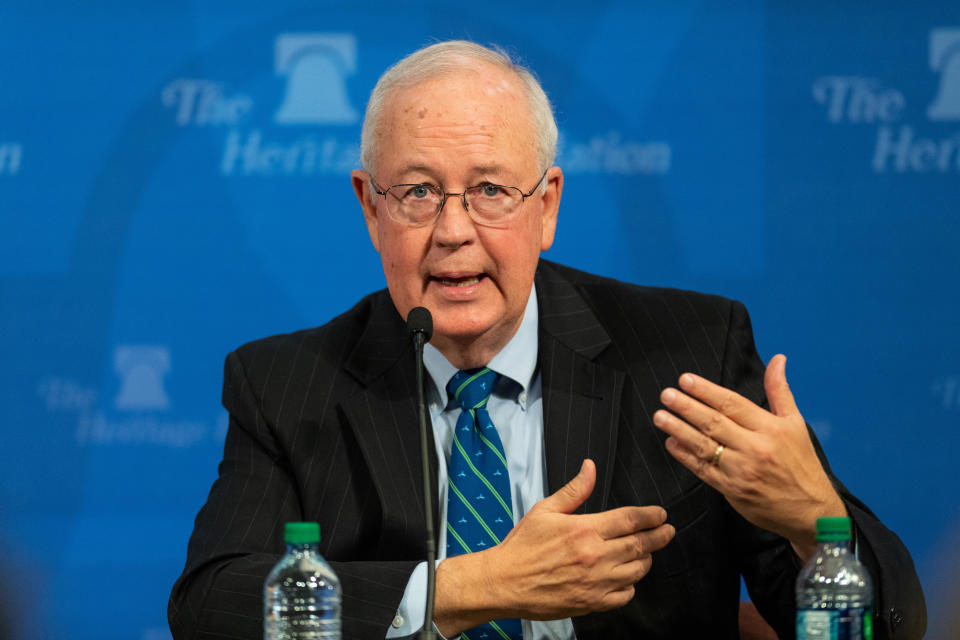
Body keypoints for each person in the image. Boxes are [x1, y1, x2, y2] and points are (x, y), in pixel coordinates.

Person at [169, 41, 925, 640]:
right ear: (371, 209)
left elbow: (887, 625)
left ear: (548, 205)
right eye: (418, 193)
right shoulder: (288, 385)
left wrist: (811, 517)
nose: (454, 231)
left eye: (492, 191)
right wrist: (474, 587)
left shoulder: (687, 351)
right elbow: (210, 606)